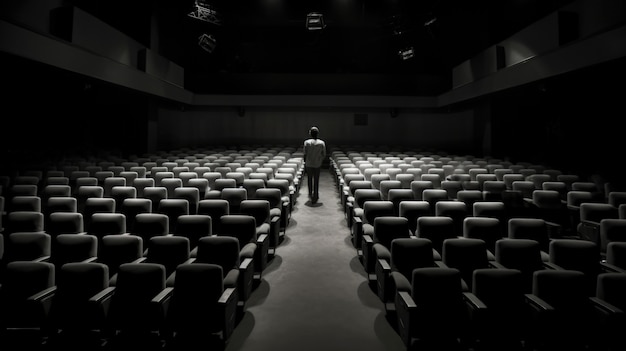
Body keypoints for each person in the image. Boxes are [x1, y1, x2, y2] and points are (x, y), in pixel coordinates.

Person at [303, 126, 326, 203]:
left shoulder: (306, 142)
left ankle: (310, 193)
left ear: (310, 134)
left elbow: (304, 153)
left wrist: (305, 161)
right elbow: (324, 154)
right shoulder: (321, 142)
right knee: (316, 179)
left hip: (309, 163)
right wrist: (320, 160)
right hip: (317, 164)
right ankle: (315, 194)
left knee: (309, 179)